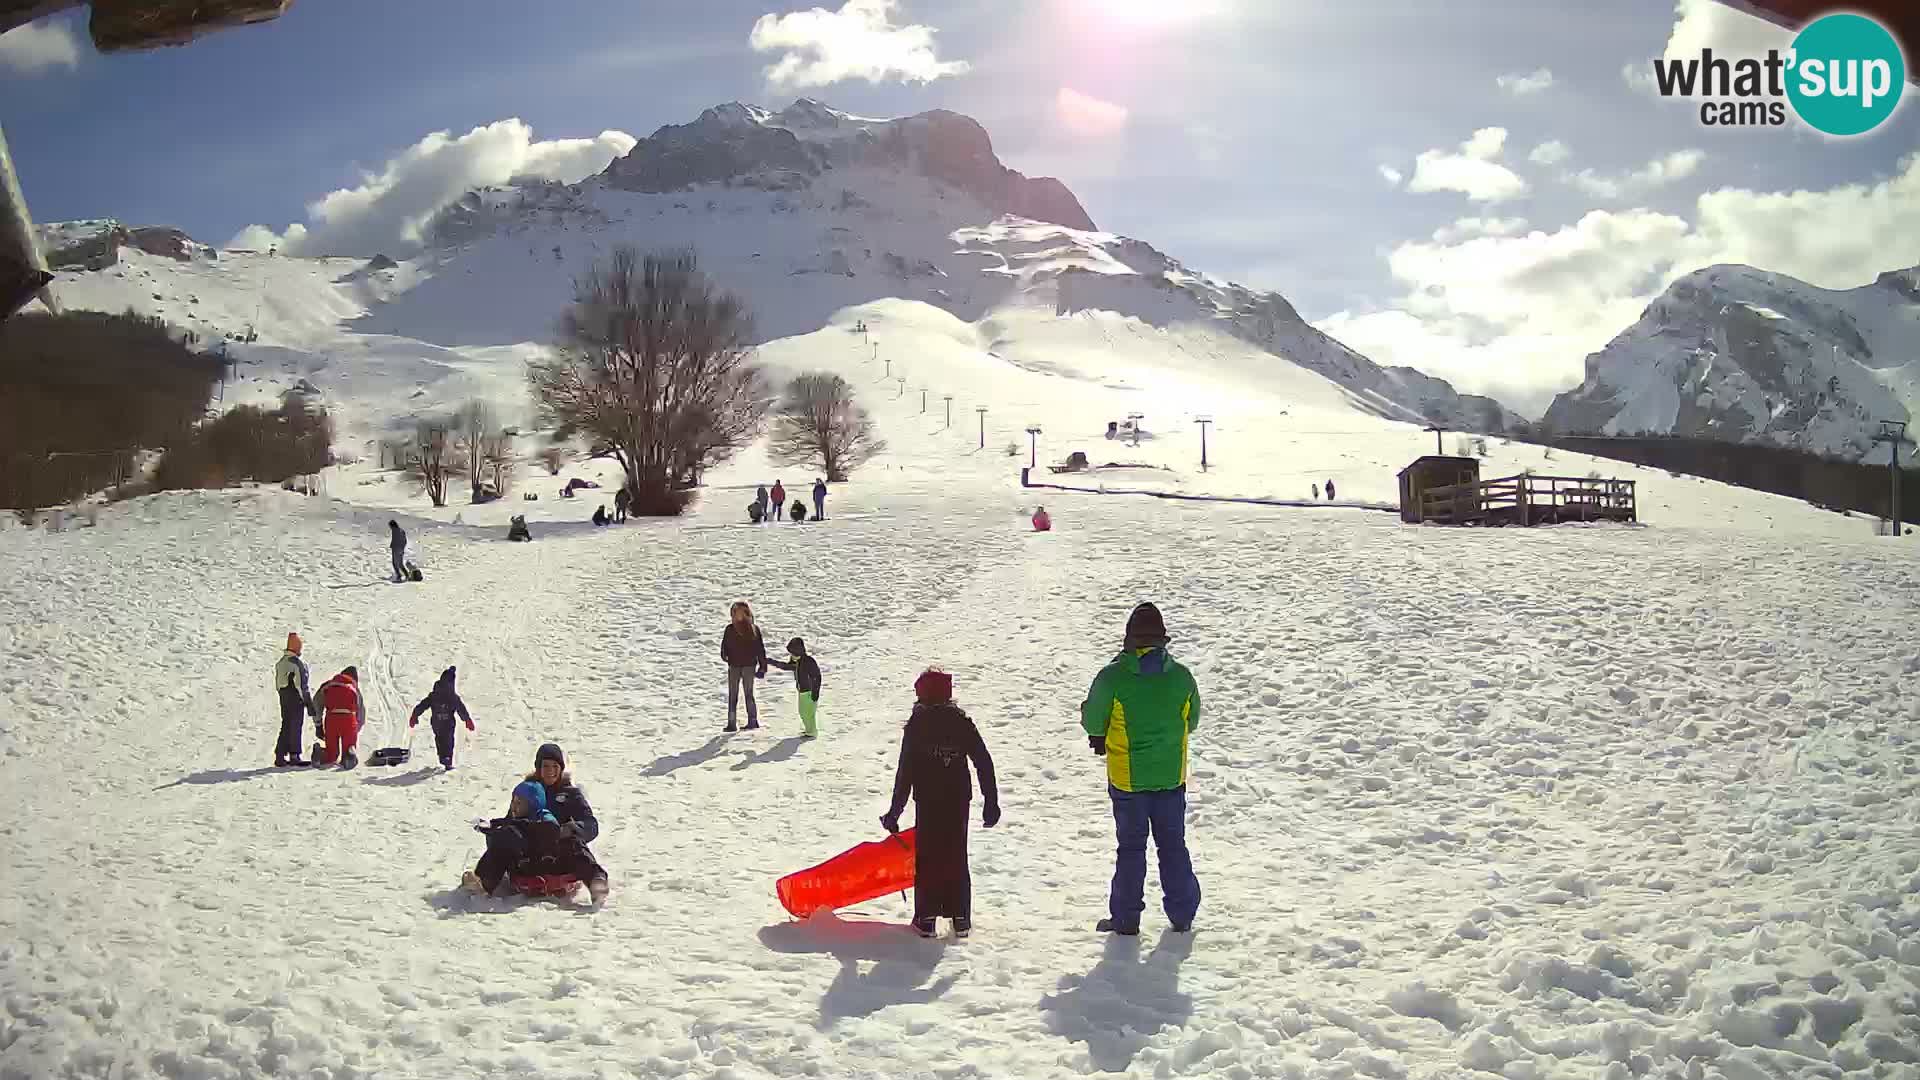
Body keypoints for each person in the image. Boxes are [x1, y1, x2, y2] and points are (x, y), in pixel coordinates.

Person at [1081, 602, 1201, 936]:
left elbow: (1092, 720)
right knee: (1173, 845)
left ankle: (1126, 918)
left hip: (1128, 781)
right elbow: (1192, 721)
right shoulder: (1181, 677)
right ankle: (1182, 914)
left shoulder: (1112, 678)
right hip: (1170, 778)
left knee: (1131, 849)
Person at [881, 669, 1000, 939]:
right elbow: (983, 760)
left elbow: (905, 772)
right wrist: (990, 801)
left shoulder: (917, 724)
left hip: (929, 800)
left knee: (929, 858)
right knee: (956, 854)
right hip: (958, 799)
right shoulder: (961, 721)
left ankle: (926, 919)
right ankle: (961, 919)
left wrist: (894, 811)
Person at [465, 744, 609, 905]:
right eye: (545, 766)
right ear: (538, 767)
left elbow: (591, 824)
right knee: (507, 837)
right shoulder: (527, 790)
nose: (550, 771)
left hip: (558, 852)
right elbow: (512, 819)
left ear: (561, 769)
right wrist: (493, 827)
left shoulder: (570, 794)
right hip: (528, 856)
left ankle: (596, 881)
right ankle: (482, 882)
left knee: (574, 843)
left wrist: (572, 828)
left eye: (555, 766)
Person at [409, 666, 475, 771]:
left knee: (441, 739)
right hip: (447, 723)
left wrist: (415, 715)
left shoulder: (436, 694)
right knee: (447, 740)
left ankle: (444, 757)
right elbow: (460, 709)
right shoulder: (450, 696)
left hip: (437, 722)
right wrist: (467, 720)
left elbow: (423, 705)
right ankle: (447, 760)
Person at [720, 601, 768, 731]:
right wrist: (725, 656)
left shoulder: (753, 629)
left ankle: (753, 721)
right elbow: (724, 646)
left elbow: (760, 649)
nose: (737, 615)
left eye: (740, 611)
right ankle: (731, 723)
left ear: (746, 613)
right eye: (735, 612)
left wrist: (763, 666)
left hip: (748, 666)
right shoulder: (730, 629)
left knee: (748, 693)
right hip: (734, 666)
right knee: (733, 695)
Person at [765, 637, 822, 737]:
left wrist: (815, 692)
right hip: (802, 690)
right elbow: (786, 666)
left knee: (808, 713)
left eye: (792, 653)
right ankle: (809, 730)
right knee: (803, 712)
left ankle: (812, 731)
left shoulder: (808, 661)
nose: (791, 655)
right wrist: (771, 661)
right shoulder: (797, 661)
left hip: (809, 691)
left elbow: (817, 676)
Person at [273, 632, 314, 767]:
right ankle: (294, 755)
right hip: (295, 697)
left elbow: (278, 683)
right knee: (295, 725)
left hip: (283, 696)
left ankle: (280, 755)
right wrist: (308, 703)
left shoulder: (280, 663)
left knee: (286, 724)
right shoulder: (296, 664)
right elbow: (301, 685)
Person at [315, 666, 366, 769]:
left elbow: (316, 704)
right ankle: (349, 755)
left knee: (331, 753)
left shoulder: (328, 685)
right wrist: (357, 727)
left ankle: (321, 754)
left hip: (331, 718)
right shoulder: (353, 687)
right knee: (348, 747)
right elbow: (361, 711)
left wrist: (318, 724)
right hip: (348, 719)